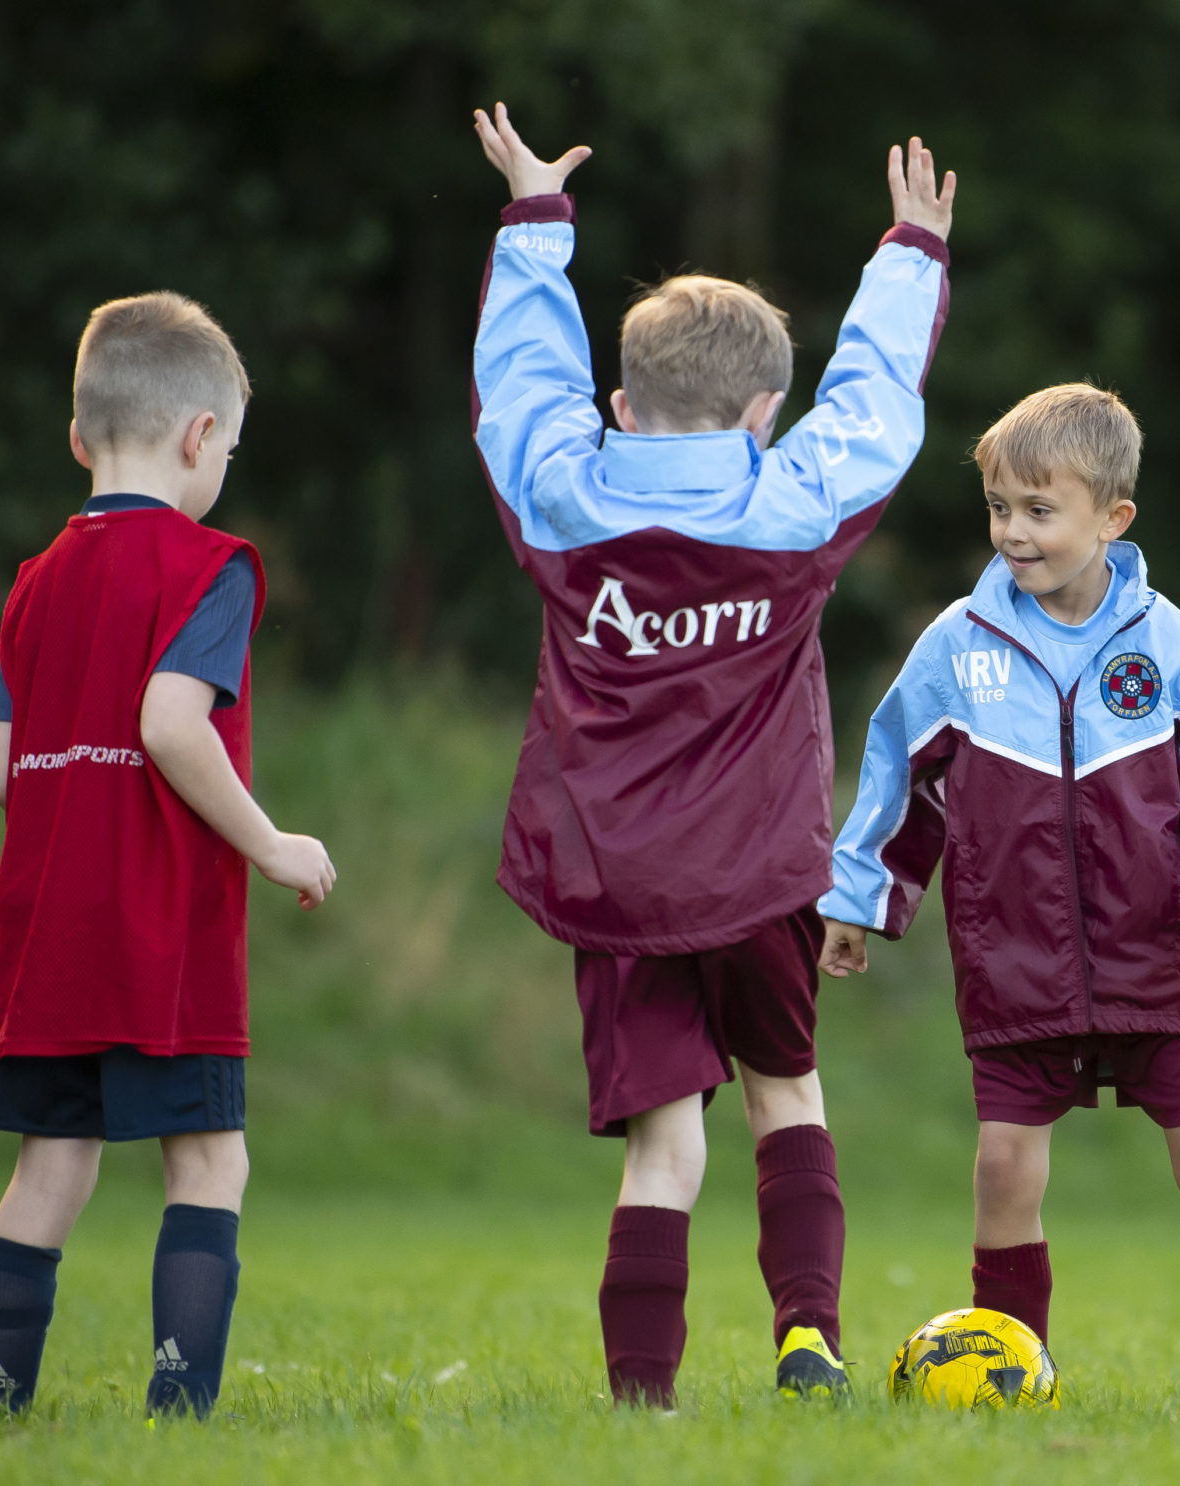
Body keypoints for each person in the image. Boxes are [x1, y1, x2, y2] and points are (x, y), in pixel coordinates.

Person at [468, 102, 954, 1406]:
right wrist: (910, 250)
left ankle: (643, 1398)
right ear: (759, 414)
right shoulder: (791, 508)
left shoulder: (565, 503)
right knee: (787, 1094)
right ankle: (808, 1337)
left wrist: (534, 222)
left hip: (621, 887)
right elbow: (874, 405)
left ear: (619, 401)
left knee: (662, 1145)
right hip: (761, 879)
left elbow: (518, 389)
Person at [819, 383, 1180, 1395]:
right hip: (1015, 966)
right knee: (1002, 1171)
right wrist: (857, 896)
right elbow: (894, 769)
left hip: (1164, 957)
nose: (1012, 531)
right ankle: (1002, 1384)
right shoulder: (957, 645)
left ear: (1110, 519)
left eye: (1039, 510)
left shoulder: (1167, 644)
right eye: (999, 506)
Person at [0, 292, 336, 1416]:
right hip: (161, 932)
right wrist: (272, 843)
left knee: (50, 1168)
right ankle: (177, 1411)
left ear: (80, 438)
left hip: (47, 940)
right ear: (200, 437)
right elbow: (171, 723)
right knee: (208, 1161)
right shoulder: (208, 565)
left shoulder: (34, 583)